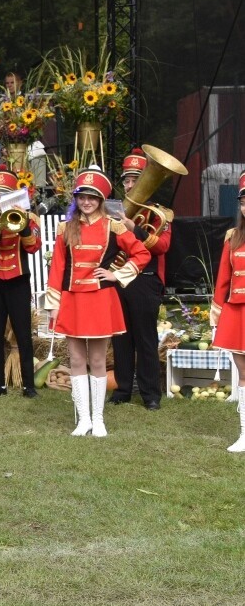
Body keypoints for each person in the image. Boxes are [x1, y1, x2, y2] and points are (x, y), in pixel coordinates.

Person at [44, 168, 149, 437]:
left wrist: (117, 275)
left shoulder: (113, 226)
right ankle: (83, 420)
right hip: (72, 299)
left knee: (98, 359)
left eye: (92, 197)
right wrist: (54, 304)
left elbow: (141, 253)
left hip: (101, 299)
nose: (86, 202)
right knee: (77, 359)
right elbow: (57, 268)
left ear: (101, 200)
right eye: (82, 197)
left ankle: (99, 419)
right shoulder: (65, 228)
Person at [111, 149, 172, 411]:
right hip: (118, 278)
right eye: (127, 180)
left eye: (136, 179)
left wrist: (133, 228)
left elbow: (162, 246)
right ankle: (123, 389)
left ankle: (150, 395)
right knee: (120, 337)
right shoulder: (113, 210)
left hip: (145, 280)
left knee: (146, 338)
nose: (130, 185)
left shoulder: (160, 214)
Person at [0, 168, 41, 398]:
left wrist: (23, 227)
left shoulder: (29, 218)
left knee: (23, 333)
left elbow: (33, 247)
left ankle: (29, 386)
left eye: (4, 194)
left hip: (18, 279)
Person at [208, 174, 245, 452]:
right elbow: (223, 279)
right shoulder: (232, 237)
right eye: (243, 201)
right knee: (243, 374)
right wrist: (217, 315)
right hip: (236, 312)